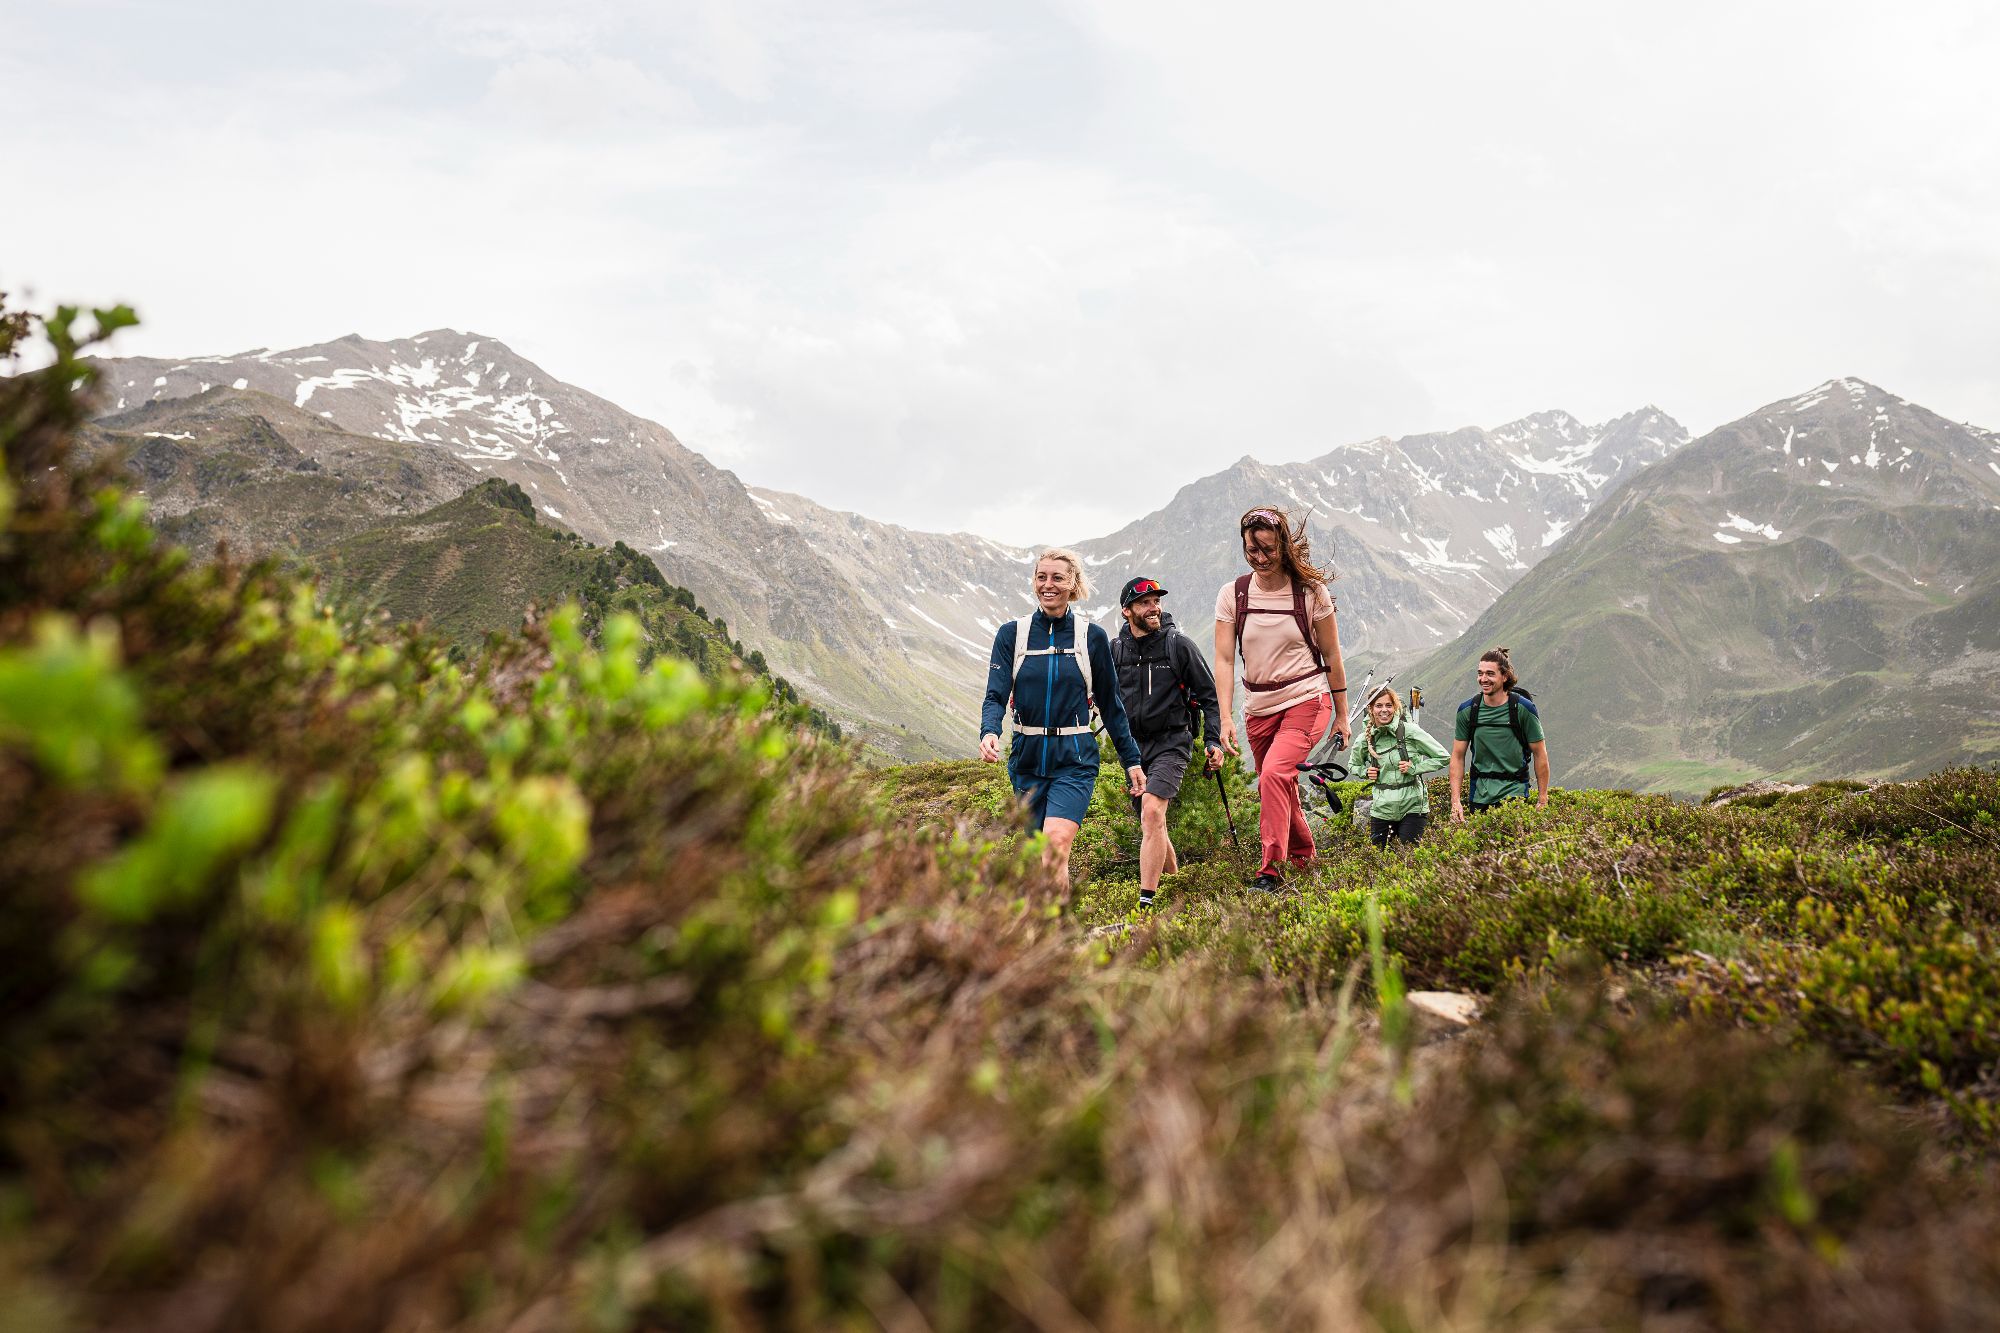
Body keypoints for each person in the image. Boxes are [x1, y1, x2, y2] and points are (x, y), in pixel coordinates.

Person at [980, 548, 1146, 901]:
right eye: (1042, 577)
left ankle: (1058, 940)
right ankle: (1051, 934)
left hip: (1074, 760)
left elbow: (1112, 705)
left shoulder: (1092, 637)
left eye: (1058, 578)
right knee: (1040, 856)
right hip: (1026, 760)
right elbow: (995, 695)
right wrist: (990, 731)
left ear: (1074, 584)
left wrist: (1131, 760)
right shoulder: (1012, 635)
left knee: (1055, 846)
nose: (1048, 585)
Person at [1214, 506, 1350, 893]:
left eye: (1268, 550)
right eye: (1251, 551)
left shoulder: (1310, 593)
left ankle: (1271, 869)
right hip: (1258, 709)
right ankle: (1305, 856)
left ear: (1284, 545)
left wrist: (1342, 715)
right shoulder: (1233, 594)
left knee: (1273, 775)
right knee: (1279, 785)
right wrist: (1225, 717)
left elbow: (1333, 657)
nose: (1259, 559)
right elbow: (1223, 660)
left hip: (1306, 699)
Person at [1111, 575, 1224, 910]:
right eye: (1145, 602)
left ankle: (1146, 905)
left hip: (1173, 742)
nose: (1154, 607)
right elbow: (1096, 691)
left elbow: (1209, 697)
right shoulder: (1114, 652)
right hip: (1132, 750)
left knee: (1151, 810)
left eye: (1156, 601)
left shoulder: (1178, 645)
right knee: (1152, 821)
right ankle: (1177, 886)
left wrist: (1213, 740)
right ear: (1126, 611)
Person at [1448, 647, 1550, 822]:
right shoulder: (1467, 710)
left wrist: (1543, 798)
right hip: (1479, 796)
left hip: (1515, 795)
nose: (1483, 679)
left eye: (1490, 674)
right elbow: (1458, 756)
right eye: (1480, 673)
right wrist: (1455, 801)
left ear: (1505, 676)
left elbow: (1540, 753)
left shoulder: (1524, 709)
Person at [1356, 685, 1448, 847]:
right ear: (1370, 709)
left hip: (1412, 806)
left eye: (1389, 705)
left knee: (1409, 860)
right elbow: (1353, 765)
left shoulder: (1410, 731)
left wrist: (1415, 768)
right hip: (1382, 809)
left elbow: (1443, 757)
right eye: (1378, 705)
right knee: (1380, 862)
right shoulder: (1365, 739)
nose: (1384, 710)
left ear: (1396, 707)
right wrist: (1365, 771)